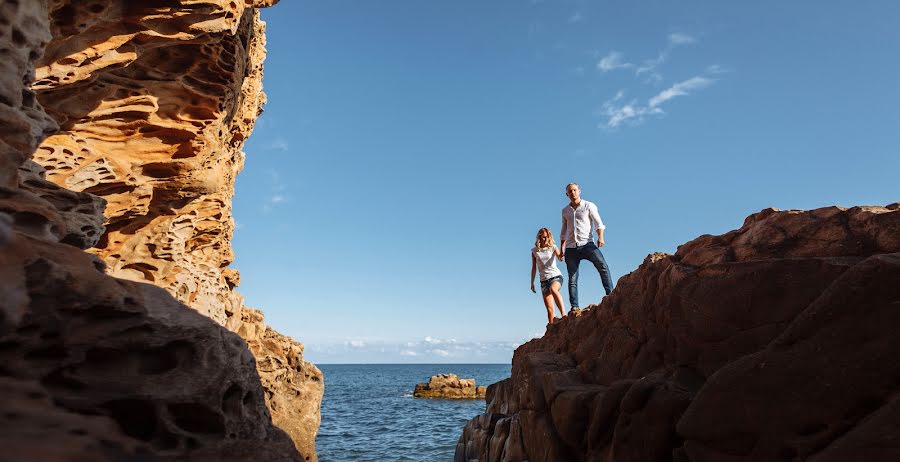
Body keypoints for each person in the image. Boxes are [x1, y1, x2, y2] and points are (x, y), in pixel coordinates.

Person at [559, 183, 613, 311]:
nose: (573, 193)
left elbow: (598, 223)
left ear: (579, 191)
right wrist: (562, 248)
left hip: (587, 245)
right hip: (571, 249)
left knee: (603, 266)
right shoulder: (565, 211)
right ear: (567, 194)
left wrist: (601, 237)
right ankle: (574, 307)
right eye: (570, 191)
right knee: (572, 278)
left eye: (574, 190)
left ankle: (611, 294)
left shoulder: (589, 205)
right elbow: (564, 231)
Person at [530, 227, 566, 324]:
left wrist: (562, 255)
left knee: (553, 289)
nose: (545, 239)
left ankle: (564, 315)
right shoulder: (534, 251)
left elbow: (560, 258)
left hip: (555, 277)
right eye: (543, 237)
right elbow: (534, 268)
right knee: (550, 311)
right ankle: (552, 331)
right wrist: (532, 282)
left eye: (547, 237)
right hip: (544, 281)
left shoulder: (553, 247)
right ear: (539, 237)